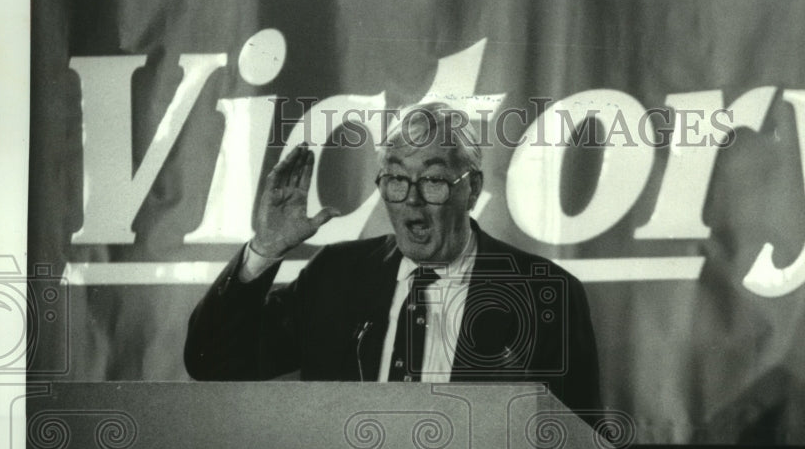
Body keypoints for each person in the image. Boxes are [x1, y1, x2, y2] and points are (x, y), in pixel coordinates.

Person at [184, 101, 601, 415]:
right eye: (397, 179)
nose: (411, 200)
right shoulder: (335, 276)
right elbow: (214, 365)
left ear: (471, 189)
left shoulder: (547, 294)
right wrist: (264, 250)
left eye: (434, 180)